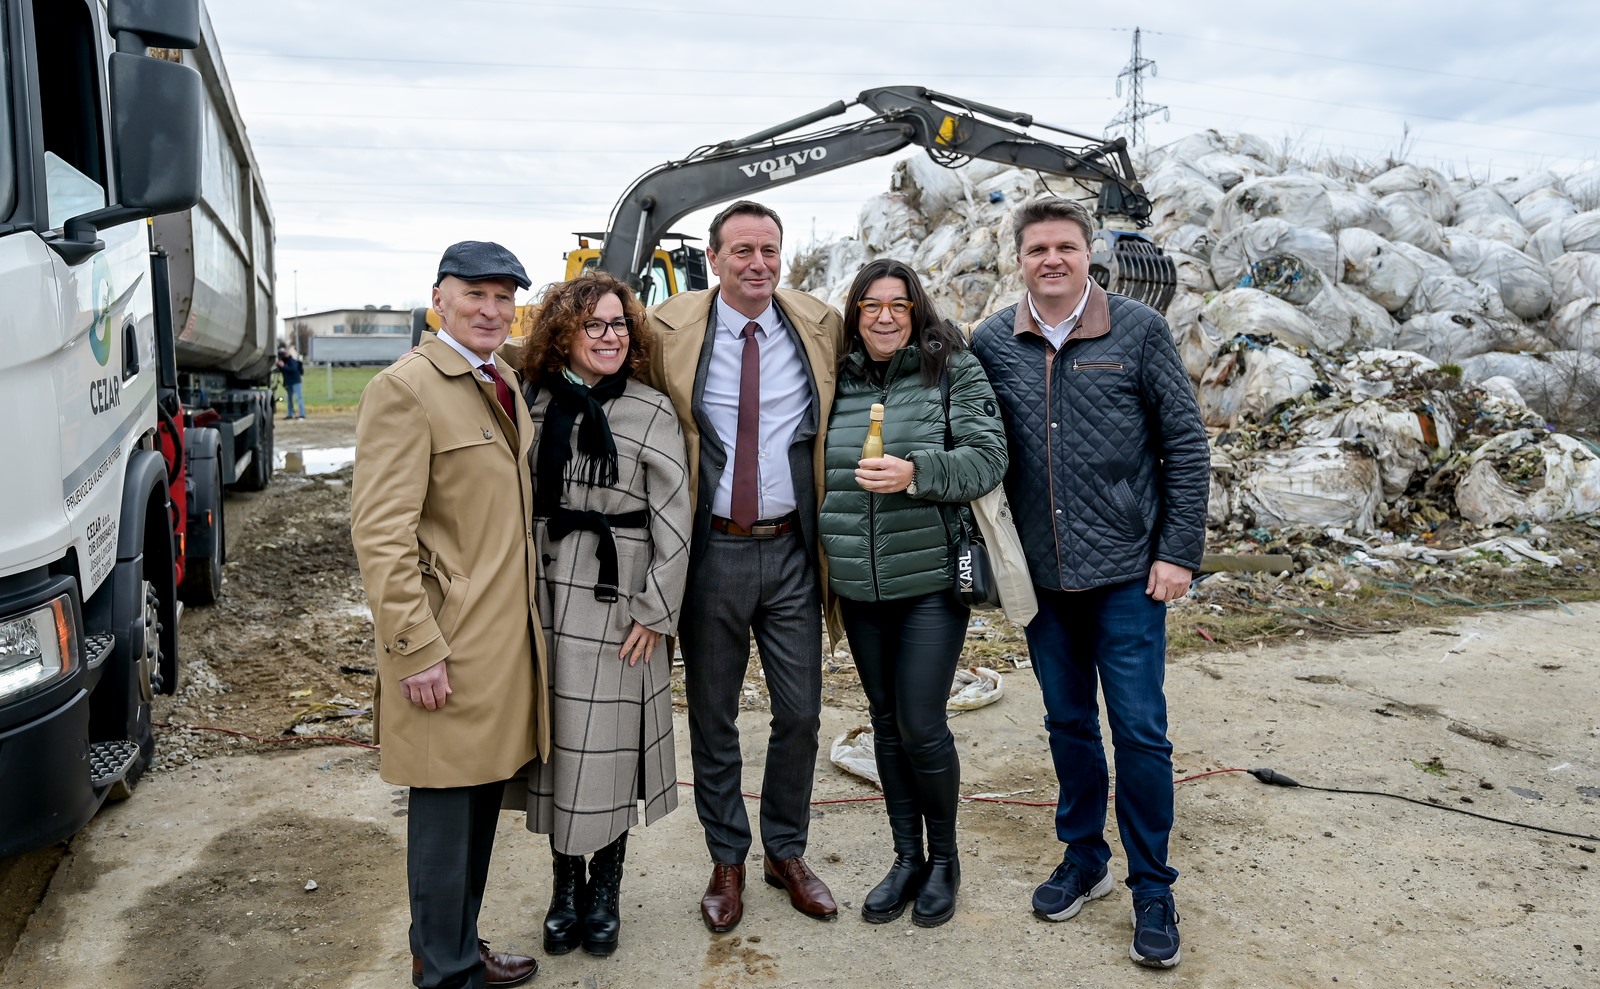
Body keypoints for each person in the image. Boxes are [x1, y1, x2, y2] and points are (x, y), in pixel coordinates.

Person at [970, 197, 1209, 968]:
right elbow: (978, 450)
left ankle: (1152, 885)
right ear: (1019, 259)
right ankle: (1085, 857)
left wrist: (1178, 552)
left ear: (1088, 255)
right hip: (1042, 584)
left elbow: (1186, 445)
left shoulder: (1138, 331)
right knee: (1067, 725)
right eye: (1037, 248)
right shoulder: (992, 342)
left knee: (1139, 730)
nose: (1052, 259)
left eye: (1066, 247)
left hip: (1128, 577)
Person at [640, 200, 844, 933]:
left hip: (792, 547)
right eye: (743, 251)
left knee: (800, 711)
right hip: (711, 549)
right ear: (714, 256)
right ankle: (727, 855)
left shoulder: (817, 324)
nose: (758, 263)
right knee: (714, 715)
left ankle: (784, 850)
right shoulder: (668, 331)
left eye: (769, 249)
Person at [351, 241, 548, 989]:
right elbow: (380, 531)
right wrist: (414, 648)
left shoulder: (497, 381)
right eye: (477, 295)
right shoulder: (409, 388)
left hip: (500, 642)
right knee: (443, 815)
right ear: (440, 298)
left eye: (504, 297)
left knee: (477, 806)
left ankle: (454, 946)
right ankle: (445, 971)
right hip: (447, 642)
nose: (492, 310)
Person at [818, 259, 1007, 927]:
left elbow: (989, 456)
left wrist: (916, 471)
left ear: (915, 308)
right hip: (859, 584)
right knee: (887, 723)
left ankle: (945, 859)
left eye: (899, 304)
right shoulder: (835, 377)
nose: (886, 316)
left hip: (929, 577)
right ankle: (906, 857)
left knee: (923, 722)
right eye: (872, 305)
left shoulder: (950, 366)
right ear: (855, 312)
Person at [510, 272, 692, 957]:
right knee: (559, 742)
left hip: (622, 599)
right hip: (548, 590)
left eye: (619, 324)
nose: (611, 336)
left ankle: (605, 888)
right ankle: (564, 888)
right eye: (595, 325)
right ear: (562, 332)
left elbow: (675, 515)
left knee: (608, 745)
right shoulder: (529, 404)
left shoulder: (650, 408)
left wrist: (658, 609)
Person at [278, 345, 306, 419]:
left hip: (296, 381)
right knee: (289, 399)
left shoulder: (292, 360)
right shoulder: (284, 361)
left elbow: (293, 369)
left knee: (299, 397)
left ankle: (302, 414)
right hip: (288, 382)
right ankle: (290, 414)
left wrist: (283, 366)